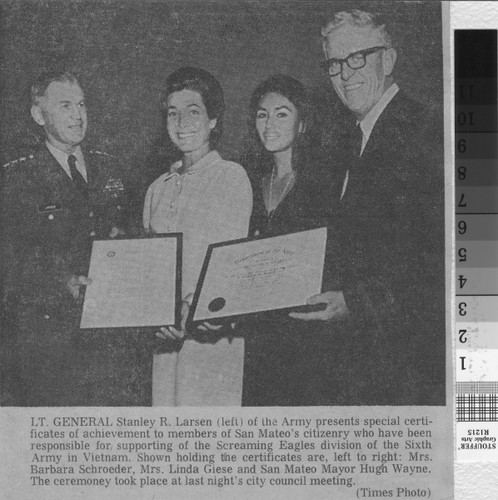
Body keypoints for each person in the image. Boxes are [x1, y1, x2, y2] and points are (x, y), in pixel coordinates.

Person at [290, 10, 445, 405]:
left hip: (407, 370)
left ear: (388, 60)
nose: (345, 74)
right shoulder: (345, 141)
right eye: (335, 63)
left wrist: (355, 302)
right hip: (354, 366)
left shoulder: (429, 130)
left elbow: (448, 263)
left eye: (357, 57)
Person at [1, 70, 149, 406]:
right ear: (39, 115)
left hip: (112, 346)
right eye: (65, 105)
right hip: (51, 349)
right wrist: (60, 281)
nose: (78, 114)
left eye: (81, 104)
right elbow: (7, 267)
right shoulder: (15, 179)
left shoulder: (113, 169)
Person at [143, 67, 252, 406]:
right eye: (172, 113)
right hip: (165, 342)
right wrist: (151, 313)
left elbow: (228, 265)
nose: (182, 122)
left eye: (194, 111)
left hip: (211, 341)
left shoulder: (230, 177)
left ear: (213, 120)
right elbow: (149, 270)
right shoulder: (156, 188)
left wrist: (189, 311)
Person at [241, 75, 332, 406]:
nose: (269, 124)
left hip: (303, 337)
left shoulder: (324, 185)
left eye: (282, 114)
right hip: (253, 336)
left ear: (302, 123)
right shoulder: (246, 184)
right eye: (262, 114)